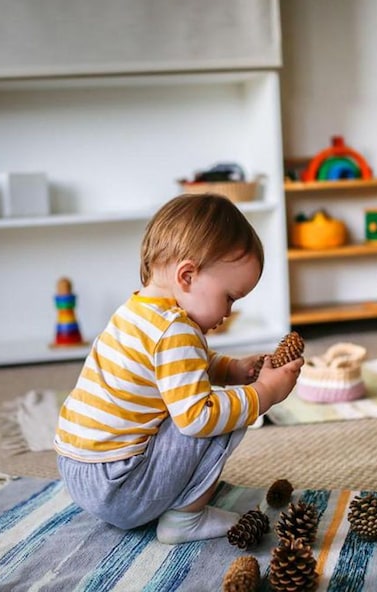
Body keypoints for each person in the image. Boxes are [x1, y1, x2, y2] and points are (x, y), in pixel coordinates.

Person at [54, 193, 303, 544]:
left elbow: (181, 367)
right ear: (187, 275)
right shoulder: (176, 330)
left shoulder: (140, 310)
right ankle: (185, 519)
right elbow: (197, 418)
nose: (229, 312)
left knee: (205, 395)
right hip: (119, 487)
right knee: (223, 411)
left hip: (78, 470)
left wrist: (232, 369)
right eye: (229, 297)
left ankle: (171, 495)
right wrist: (263, 394)